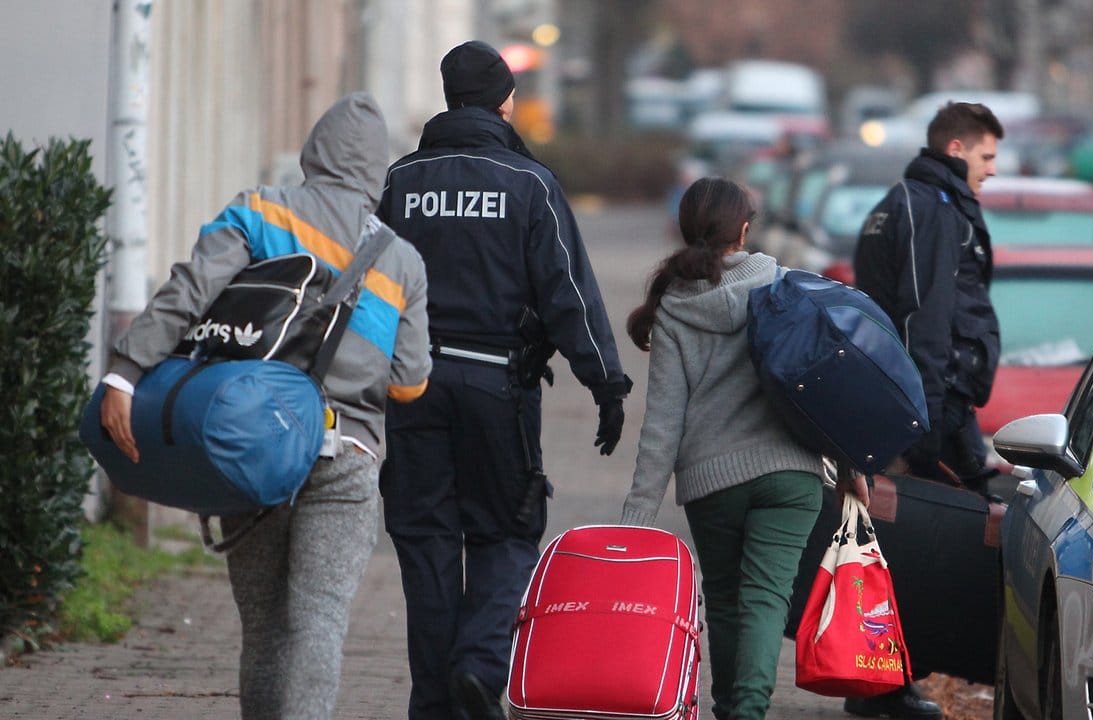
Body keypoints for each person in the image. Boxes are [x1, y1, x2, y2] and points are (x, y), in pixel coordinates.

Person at [98, 92, 432, 720]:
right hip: (347, 453)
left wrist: (124, 373)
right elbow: (409, 384)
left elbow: (188, 293)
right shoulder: (401, 261)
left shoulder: (257, 210)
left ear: (314, 152)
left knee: (264, 625)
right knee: (320, 622)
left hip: (250, 440)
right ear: (377, 171)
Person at [376, 40, 631, 720]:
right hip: (498, 389)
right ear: (503, 101)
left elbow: (370, 293)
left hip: (412, 388)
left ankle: (434, 702)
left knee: (427, 543)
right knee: (505, 535)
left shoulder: (400, 183)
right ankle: (481, 665)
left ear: (448, 99)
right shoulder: (528, 184)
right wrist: (605, 382)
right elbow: (567, 293)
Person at [621, 177, 866, 720]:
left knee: (728, 602)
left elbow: (663, 422)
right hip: (790, 473)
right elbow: (828, 385)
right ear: (745, 229)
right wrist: (849, 465)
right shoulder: (783, 285)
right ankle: (746, 712)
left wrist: (638, 515)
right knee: (765, 600)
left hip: (712, 481)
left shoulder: (675, 309)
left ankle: (730, 707)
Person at [842, 101, 1004, 719]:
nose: (993, 171)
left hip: (919, 402)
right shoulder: (930, 210)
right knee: (924, 551)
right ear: (957, 150)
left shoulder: (903, 204)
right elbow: (923, 318)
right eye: (987, 156)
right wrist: (928, 418)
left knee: (900, 547)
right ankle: (884, 686)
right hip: (927, 406)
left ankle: (886, 683)